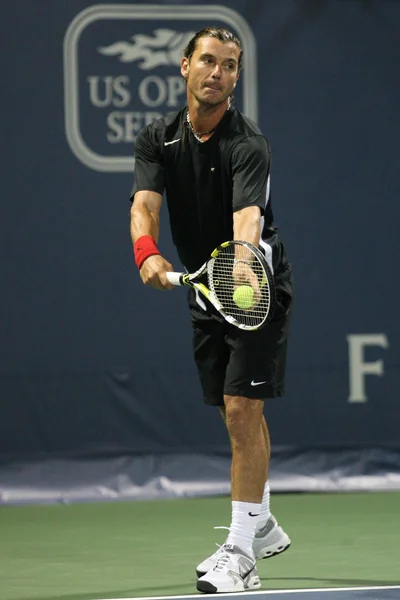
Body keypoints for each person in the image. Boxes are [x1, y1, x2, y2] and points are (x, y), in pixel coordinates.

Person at [130, 26, 293, 594]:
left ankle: (242, 552)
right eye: (208, 60)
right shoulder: (158, 138)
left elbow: (246, 217)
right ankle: (262, 518)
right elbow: (144, 206)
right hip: (206, 289)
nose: (217, 72)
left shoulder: (248, 143)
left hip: (252, 286)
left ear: (236, 76)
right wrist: (146, 254)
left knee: (242, 409)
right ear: (184, 66)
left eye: (229, 64)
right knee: (234, 414)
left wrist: (245, 262)